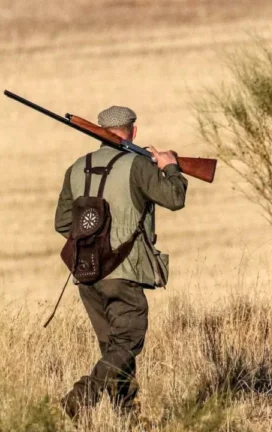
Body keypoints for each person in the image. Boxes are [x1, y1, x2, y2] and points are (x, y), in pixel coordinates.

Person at [53, 105, 187, 418]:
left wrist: (93, 235)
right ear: (133, 131)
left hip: (87, 273)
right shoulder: (137, 165)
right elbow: (175, 198)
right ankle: (82, 395)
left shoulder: (77, 167)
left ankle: (127, 416)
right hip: (123, 271)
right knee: (128, 341)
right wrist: (170, 167)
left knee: (114, 349)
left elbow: (63, 223)